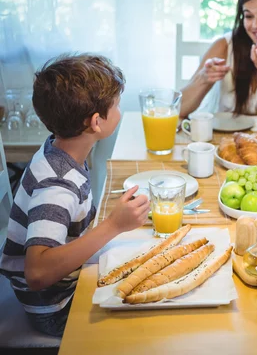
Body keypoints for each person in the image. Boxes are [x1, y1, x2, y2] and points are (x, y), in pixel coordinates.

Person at [0, 55, 150, 336]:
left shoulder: (60, 149)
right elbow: (37, 273)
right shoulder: (56, 186)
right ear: (96, 122)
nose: (119, 110)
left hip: (66, 286)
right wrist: (113, 226)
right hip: (55, 308)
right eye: (116, 105)